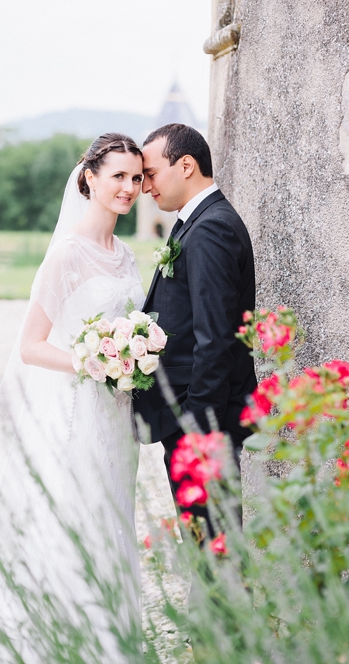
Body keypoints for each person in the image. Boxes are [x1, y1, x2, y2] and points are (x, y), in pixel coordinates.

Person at [0, 133, 146, 662]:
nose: (129, 188)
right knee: (73, 517)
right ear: (89, 178)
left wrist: (133, 358)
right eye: (118, 176)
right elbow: (29, 346)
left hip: (115, 416)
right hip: (75, 413)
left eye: (136, 178)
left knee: (112, 517)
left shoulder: (127, 254)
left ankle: (108, 642)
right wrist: (96, 362)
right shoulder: (67, 254)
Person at [134, 123, 256, 535]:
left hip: (202, 423)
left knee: (215, 546)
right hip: (197, 420)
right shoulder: (195, 222)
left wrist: (196, 430)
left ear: (185, 165)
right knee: (210, 545)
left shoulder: (211, 228)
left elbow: (215, 338)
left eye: (150, 173)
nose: (145, 186)